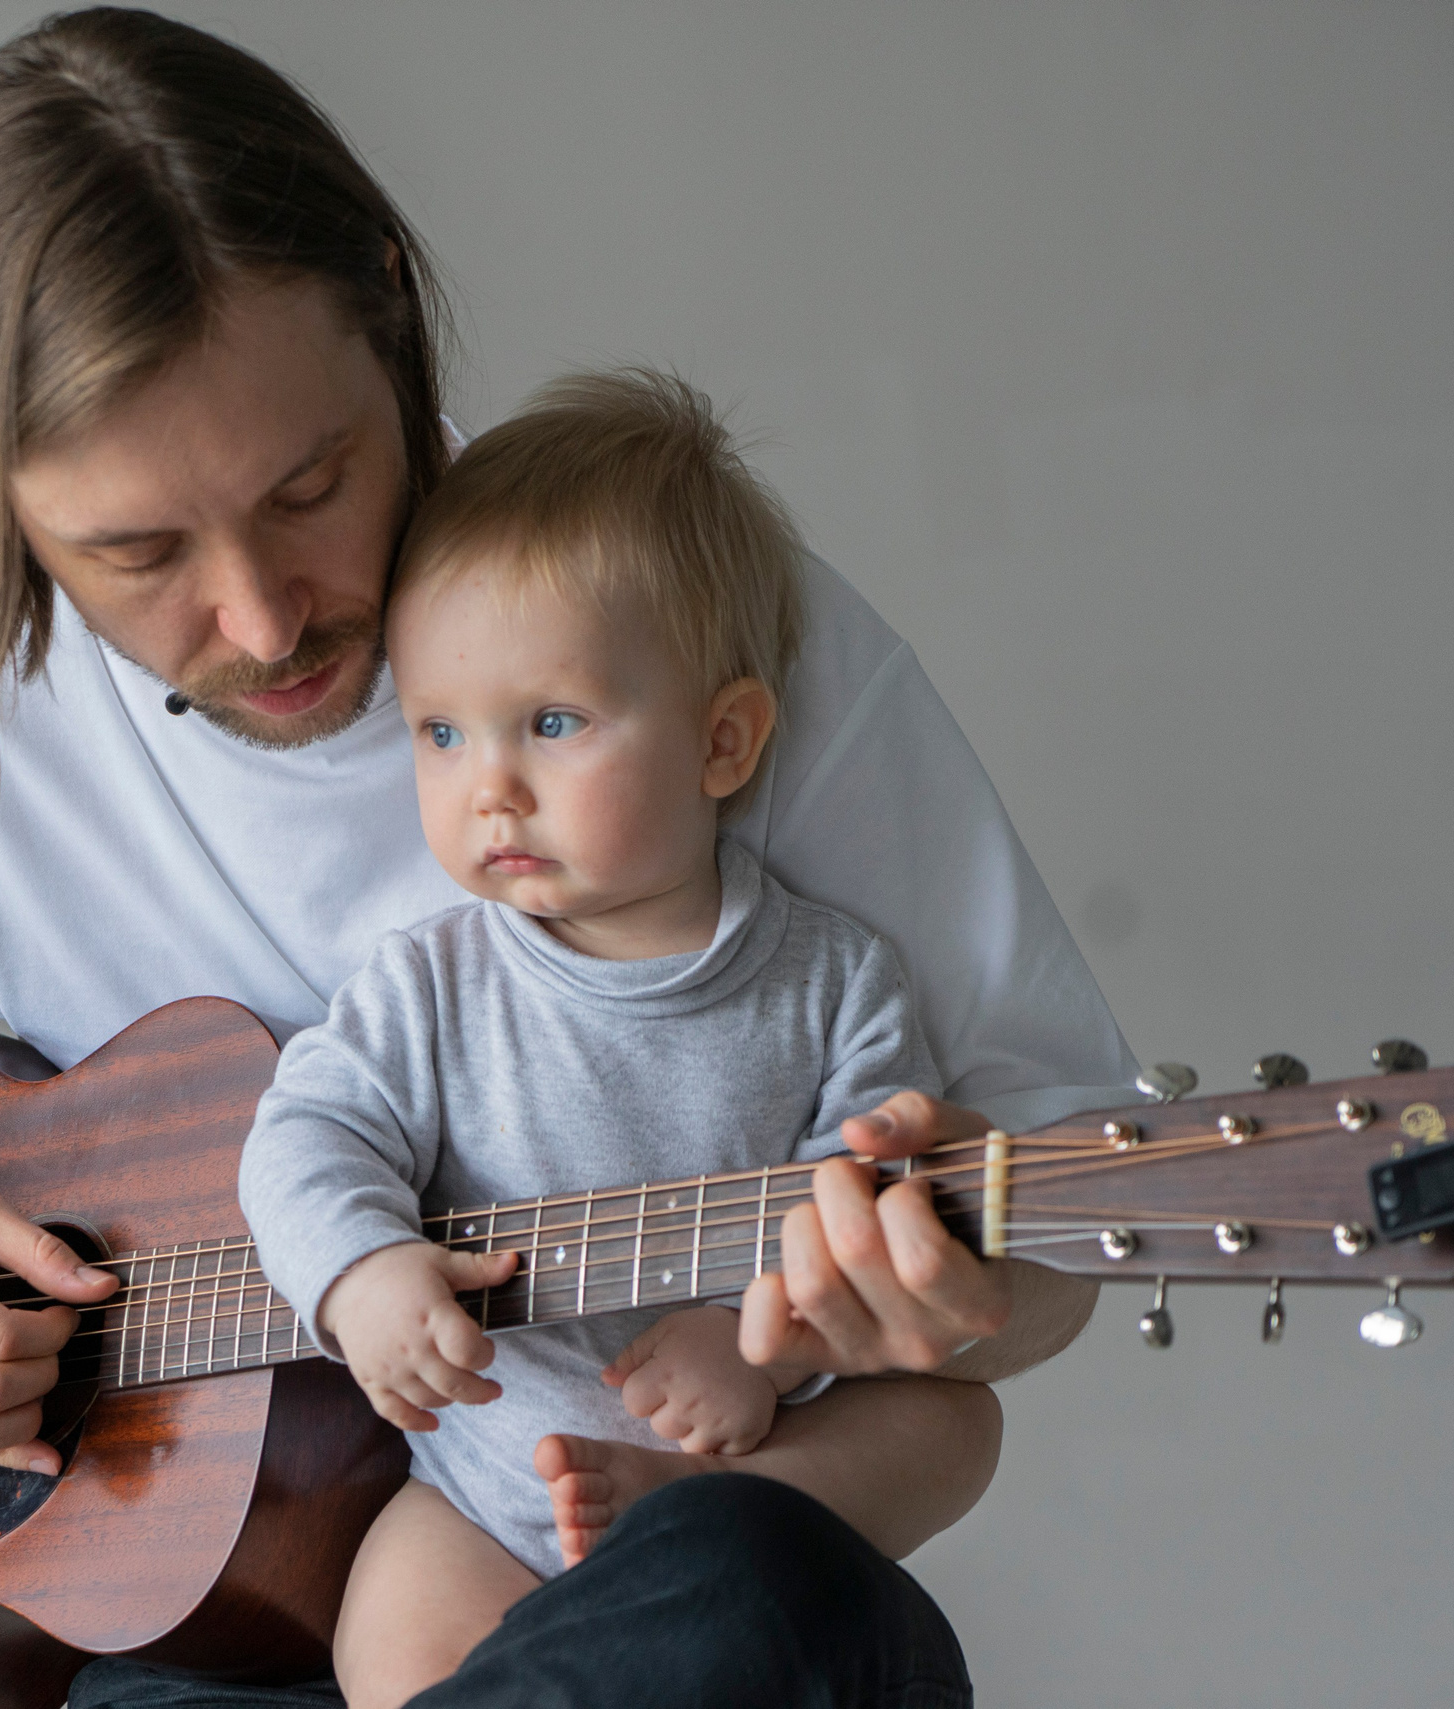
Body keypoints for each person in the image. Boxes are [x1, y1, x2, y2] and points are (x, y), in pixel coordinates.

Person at [0, 10, 1136, 1706]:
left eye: (312, 484)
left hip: (652, 1575)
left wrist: (914, 1302)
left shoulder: (674, 628)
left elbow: (1057, 1245)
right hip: (189, 1628)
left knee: (760, 1591)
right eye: (134, 551)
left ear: (388, 316)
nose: (263, 613)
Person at [241, 368, 975, 1707]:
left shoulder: (835, 984)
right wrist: (361, 1274)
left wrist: (762, 1342)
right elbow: (304, 1135)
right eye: (442, 732)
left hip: (727, 1482)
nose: (488, 784)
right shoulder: (433, 984)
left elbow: (864, 1218)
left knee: (944, 1426)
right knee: (398, 1651)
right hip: (477, 1492)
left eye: (553, 723)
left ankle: (688, 1523)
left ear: (723, 740)